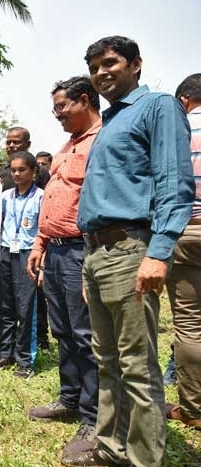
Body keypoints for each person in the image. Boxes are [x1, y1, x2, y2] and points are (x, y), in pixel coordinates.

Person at [76, 36, 193, 467]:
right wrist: (91, 261)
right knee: (107, 362)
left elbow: (175, 183)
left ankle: (144, 460)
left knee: (138, 368)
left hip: (130, 250)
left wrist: (158, 252)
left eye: (110, 63)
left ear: (136, 64)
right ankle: (110, 449)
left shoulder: (159, 107)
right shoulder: (110, 122)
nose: (102, 72)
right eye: (95, 67)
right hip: (97, 255)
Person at [25, 76, 101, 465]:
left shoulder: (102, 142)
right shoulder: (66, 146)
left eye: (61, 108)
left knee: (86, 335)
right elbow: (53, 199)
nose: (56, 115)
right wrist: (39, 244)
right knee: (63, 331)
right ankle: (70, 398)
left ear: (84, 100)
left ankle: (93, 418)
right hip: (53, 252)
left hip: (80, 251)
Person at [164, 73, 201, 429]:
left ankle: (193, 409)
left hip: (189, 230)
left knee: (190, 325)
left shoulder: (180, 131)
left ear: (185, 102)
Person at [0, 151, 43, 380]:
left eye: (22, 170)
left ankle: (25, 360)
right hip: (5, 251)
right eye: (14, 170)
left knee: (26, 307)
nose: (17, 174)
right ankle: (5, 352)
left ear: (34, 172)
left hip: (28, 254)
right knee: (5, 305)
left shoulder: (41, 196)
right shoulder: (4, 196)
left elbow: (44, 229)